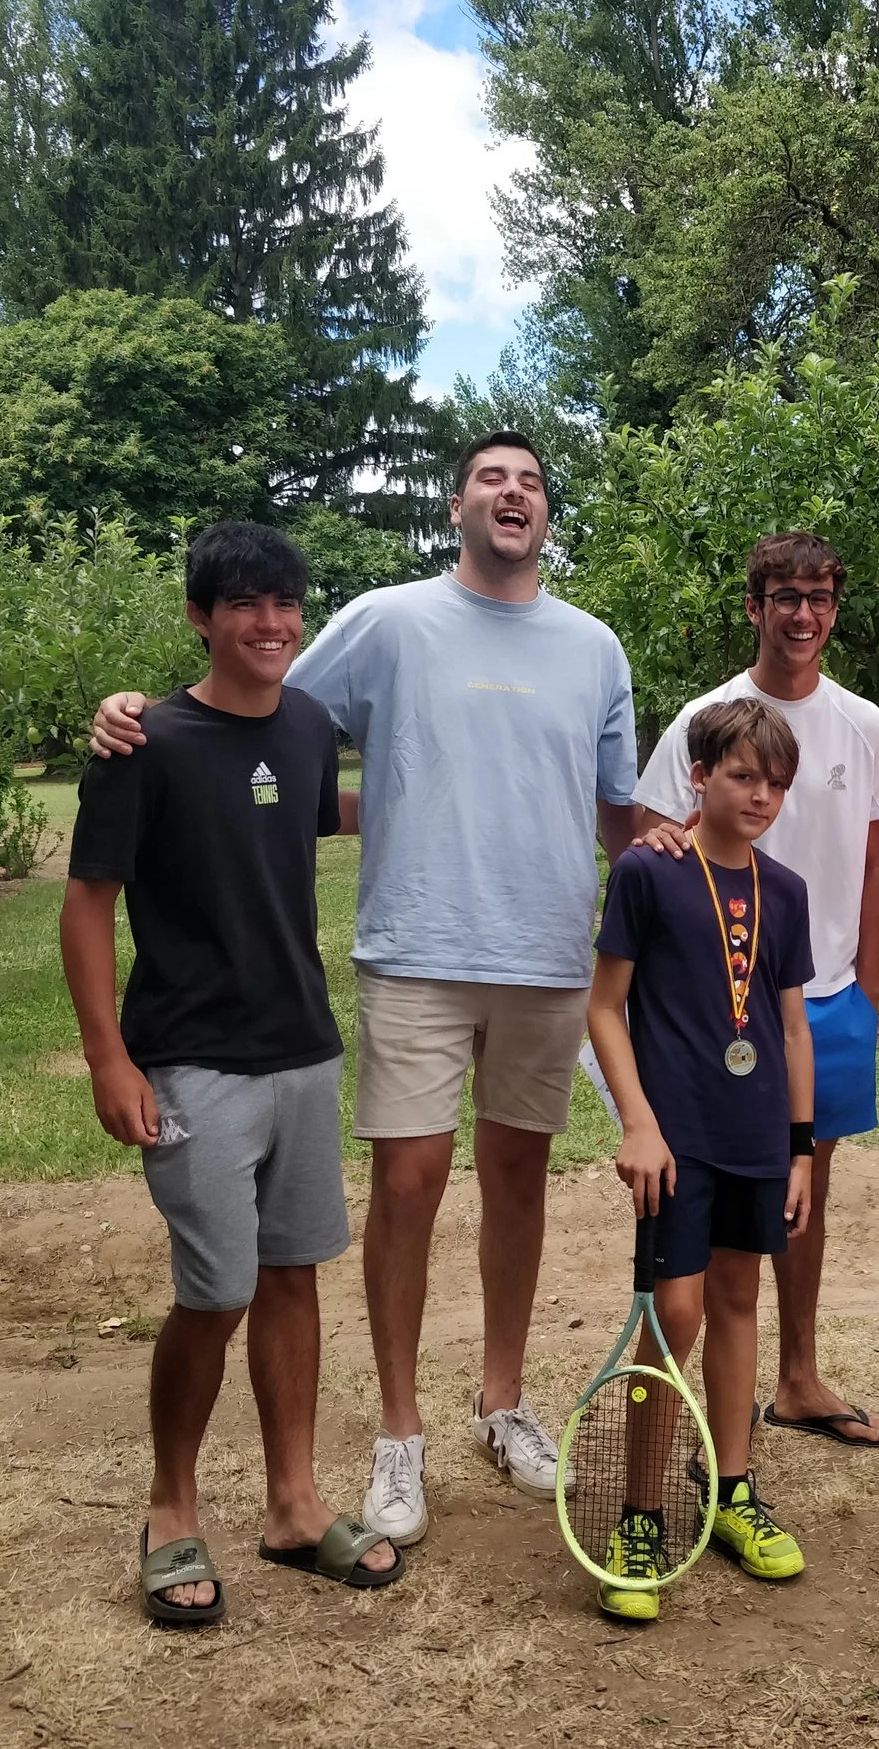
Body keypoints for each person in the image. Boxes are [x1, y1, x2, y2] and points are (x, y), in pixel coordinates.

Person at [88, 433, 639, 1548]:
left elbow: (616, 811)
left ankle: (502, 1402)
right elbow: (261, 694)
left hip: (544, 953)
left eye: (530, 480)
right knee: (407, 1183)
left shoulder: (594, 646)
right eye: (492, 477)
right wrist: (129, 711)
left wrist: (662, 898)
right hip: (415, 945)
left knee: (518, 1178)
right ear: (456, 507)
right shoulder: (388, 620)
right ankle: (398, 1435)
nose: (513, 491)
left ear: (546, 513)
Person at [61, 522, 402, 1625]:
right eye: (247, 605)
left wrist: (443, 801)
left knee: (295, 1276)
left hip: (301, 1050)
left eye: (287, 602)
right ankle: (170, 1507)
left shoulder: (306, 725)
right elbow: (86, 907)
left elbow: (314, 816)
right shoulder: (140, 743)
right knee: (215, 1290)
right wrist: (109, 1057)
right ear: (202, 618)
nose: (272, 623)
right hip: (191, 1060)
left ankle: (294, 1508)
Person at [631, 530, 879, 1449]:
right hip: (716, 1010)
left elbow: (872, 861)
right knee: (711, 1194)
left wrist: (862, 987)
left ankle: (798, 1375)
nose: (802, 612)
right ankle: (704, 1375)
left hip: (817, 1000)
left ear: (835, 607)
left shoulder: (864, 721)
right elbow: (650, 829)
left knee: (803, 1184)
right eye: (783, 594)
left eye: (819, 595)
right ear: (754, 606)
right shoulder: (707, 717)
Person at [586, 697, 818, 1620]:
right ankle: (641, 1511)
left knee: (736, 1302)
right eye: (741, 775)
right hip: (675, 1142)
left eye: (775, 781)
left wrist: (801, 1149)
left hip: (758, 1136)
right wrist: (637, 1121)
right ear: (699, 775)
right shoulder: (649, 871)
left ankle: (730, 1490)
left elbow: (794, 1029)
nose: (759, 793)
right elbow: (605, 1008)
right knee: (673, 1315)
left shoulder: (787, 890)